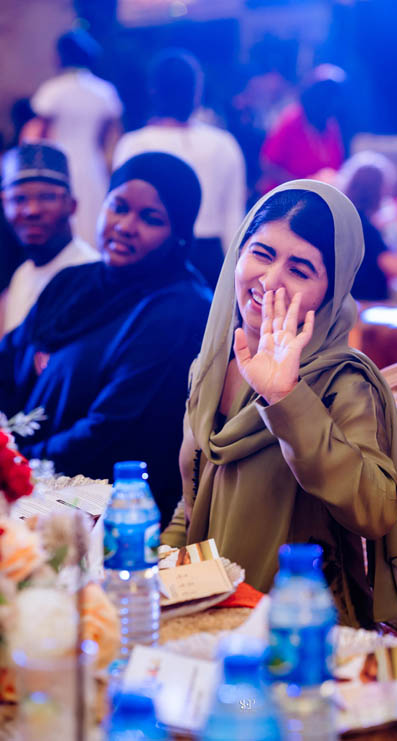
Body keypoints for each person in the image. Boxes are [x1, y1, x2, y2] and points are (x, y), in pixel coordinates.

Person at [162, 180, 397, 630]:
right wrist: (157, 566)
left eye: (300, 269)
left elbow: (376, 511)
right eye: (261, 253)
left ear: (330, 291)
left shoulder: (342, 382)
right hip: (209, 608)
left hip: (301, 628)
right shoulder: (212, 367)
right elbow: (194, 500)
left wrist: (286, 398)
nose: (270, 280)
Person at [0, 152, 211, 522]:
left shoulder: (180, 309)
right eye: (119, 207)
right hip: (30, 485)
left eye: (151, 218)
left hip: (111, 511)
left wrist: (16, 462)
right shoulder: (73, 282)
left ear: (179, 234)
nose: (126, 226)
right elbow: (7, 363)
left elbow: (110, 430)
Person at [113, 49, 246, 289]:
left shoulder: (134, 143)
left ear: (153, 91)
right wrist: (236, 276)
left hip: (150, 253)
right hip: (209, 256)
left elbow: (119, 209)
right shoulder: (223, 143)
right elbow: (233, 219)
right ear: (196, 92)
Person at [29, 29, 123, 245]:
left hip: (58, 166)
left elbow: (39, 135)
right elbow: (110, 140)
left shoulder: (52, 90)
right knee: (92, 222)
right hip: (92, 166)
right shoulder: (104, 91)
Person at [0, 142, 99, 337]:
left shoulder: (91, 275)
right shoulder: (23, 274)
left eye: (46, 197)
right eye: (19, 199)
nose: (32, 211)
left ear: (72, 205)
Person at [259, 65, 345, 194]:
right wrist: (301, 187)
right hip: (286, 199)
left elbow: (335, 168)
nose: (329, 101)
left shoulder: (331, 127)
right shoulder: (292, 121)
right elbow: (268, 165)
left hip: (315, 198)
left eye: (333, 95)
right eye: (324, 94)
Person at [340, 151, 397, 301]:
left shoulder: (349, 218)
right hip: (367, 304)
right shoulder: (366, 229)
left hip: (351, 301)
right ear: (378, 191)